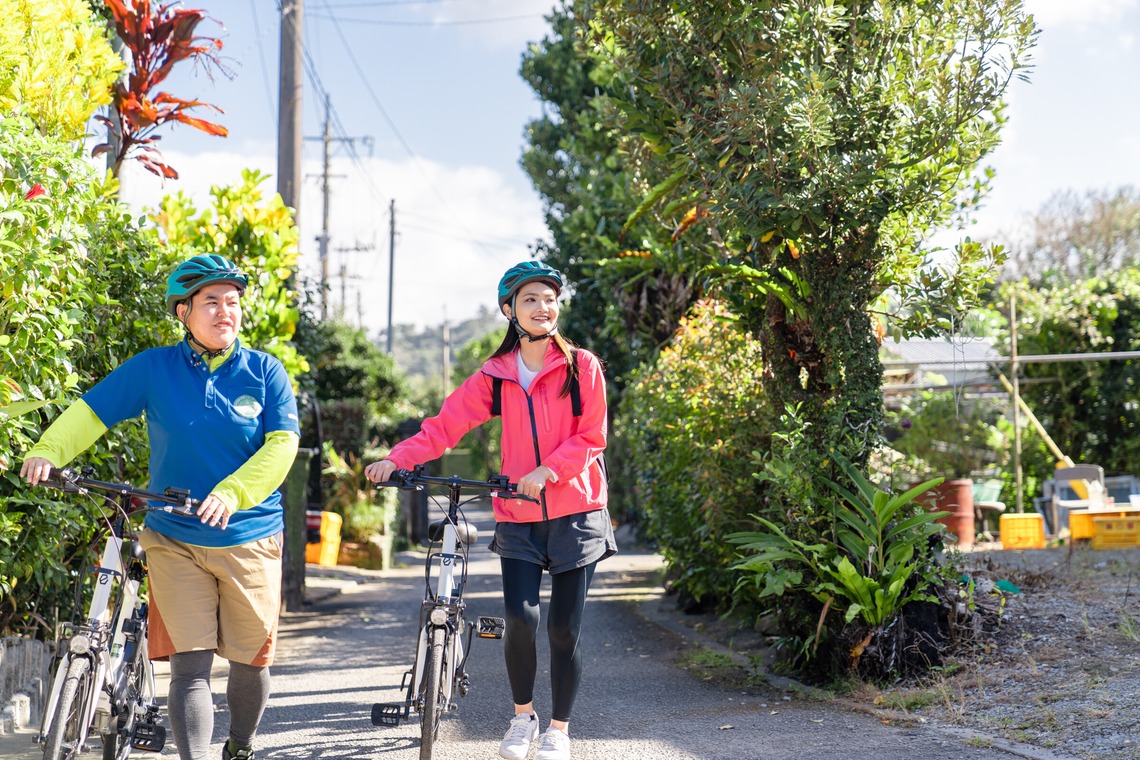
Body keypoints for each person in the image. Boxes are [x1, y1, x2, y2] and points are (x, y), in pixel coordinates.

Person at [21, 254, 300, 760]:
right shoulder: (155, 368)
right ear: (183, 312)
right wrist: (48, 451)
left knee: (250, 665)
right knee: (189, 666)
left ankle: (240, 745)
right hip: (174, 535)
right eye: (211, 302)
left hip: (250, 535)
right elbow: (92, 412)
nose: (225, 312)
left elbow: (282, 446)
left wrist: (232, 493)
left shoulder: (266, 372)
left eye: (232, 302)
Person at [365, 260, 615, 760]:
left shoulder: (580, 365)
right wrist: (397, 458)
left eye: (550, 299)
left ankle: (559, 730)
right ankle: (523, 717)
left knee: (564, 627)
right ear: (509, 310)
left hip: (577, 509)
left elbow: (592, 435)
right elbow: (444, 426)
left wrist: (548, 470)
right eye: (530, 300)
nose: (543, 308)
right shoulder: (495, 375)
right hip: (518, 514)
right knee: (519, 619)